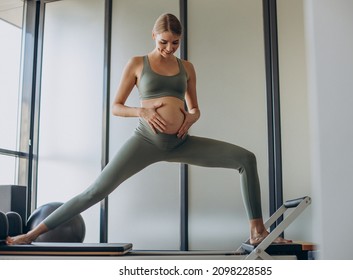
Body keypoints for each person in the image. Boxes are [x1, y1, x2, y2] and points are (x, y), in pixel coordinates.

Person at [6, 13, 290, 246]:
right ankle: (31, 235)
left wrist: (191, 118)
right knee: (95, 191)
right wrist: (140, 111)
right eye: (164, 41)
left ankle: (257, 232)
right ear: (154, 36)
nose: (169, 48)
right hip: (145, 141)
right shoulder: (137, 63)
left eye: (175, 43)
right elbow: (116, 106)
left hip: (181, 142)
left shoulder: (187, 67)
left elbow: (195, 108)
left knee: (246, 159)